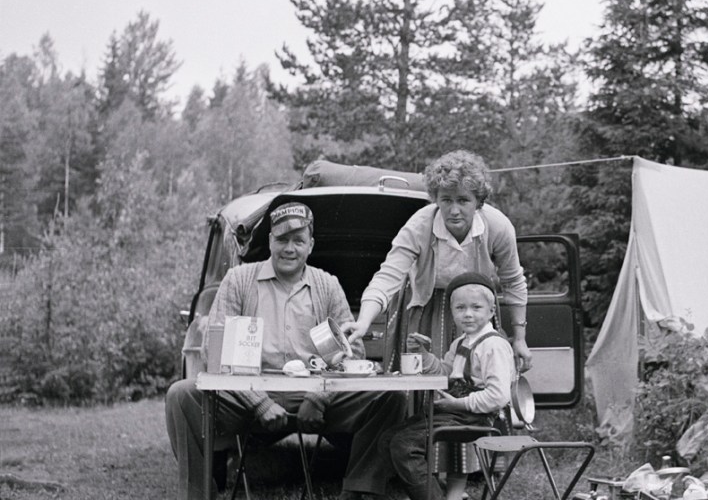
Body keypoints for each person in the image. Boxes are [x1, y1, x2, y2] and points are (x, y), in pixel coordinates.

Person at [165, 202, 406, 500]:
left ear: (311, 245)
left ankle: (358, 490)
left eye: (298, 240)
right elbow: (214, 350)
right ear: (270, 241)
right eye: (282, 239)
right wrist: (259, 403)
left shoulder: (327, 285)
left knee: (391, 398)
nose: (289, 248)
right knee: (181, 395)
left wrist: (318, 397)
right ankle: (198, 493)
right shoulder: (239, 279)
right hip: (247, 394)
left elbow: (352, 351)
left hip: (315, 395)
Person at [344, 150, 532, 374]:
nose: (454, 210)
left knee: (478, 374)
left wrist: (520, 338)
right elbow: (387, 277)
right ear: (436, 199)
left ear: (478, 202)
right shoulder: (418, 226)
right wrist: (363, 321)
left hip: (475, 307)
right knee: (420, 374)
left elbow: (513, 281)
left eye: (463, 200)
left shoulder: (498, 226)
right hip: (425, 306)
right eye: (446, 200)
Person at [379, 272, 516, 500]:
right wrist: (422, 353)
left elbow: (498, 396)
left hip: (475, 417)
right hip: (454, 413)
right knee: (388, 438)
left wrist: (458, 404)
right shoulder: (460, 342)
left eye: (476, 307)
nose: (468, 314)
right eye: (460, 308)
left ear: (491, 311)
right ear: (452, 312)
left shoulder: (493, 346)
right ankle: (433, 493)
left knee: (404, 444)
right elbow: (444, 373)